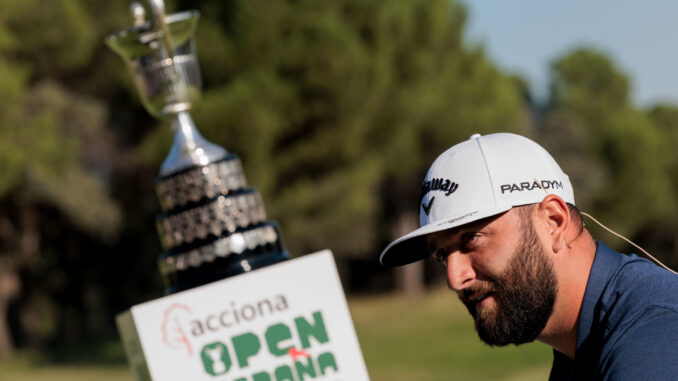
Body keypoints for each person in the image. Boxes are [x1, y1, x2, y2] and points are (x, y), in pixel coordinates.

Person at [379, 132, 678, 380]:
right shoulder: (579, 346)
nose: (455, 278)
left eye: (471, 239)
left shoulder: (653, 336)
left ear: (553, 222)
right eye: (442, 255)